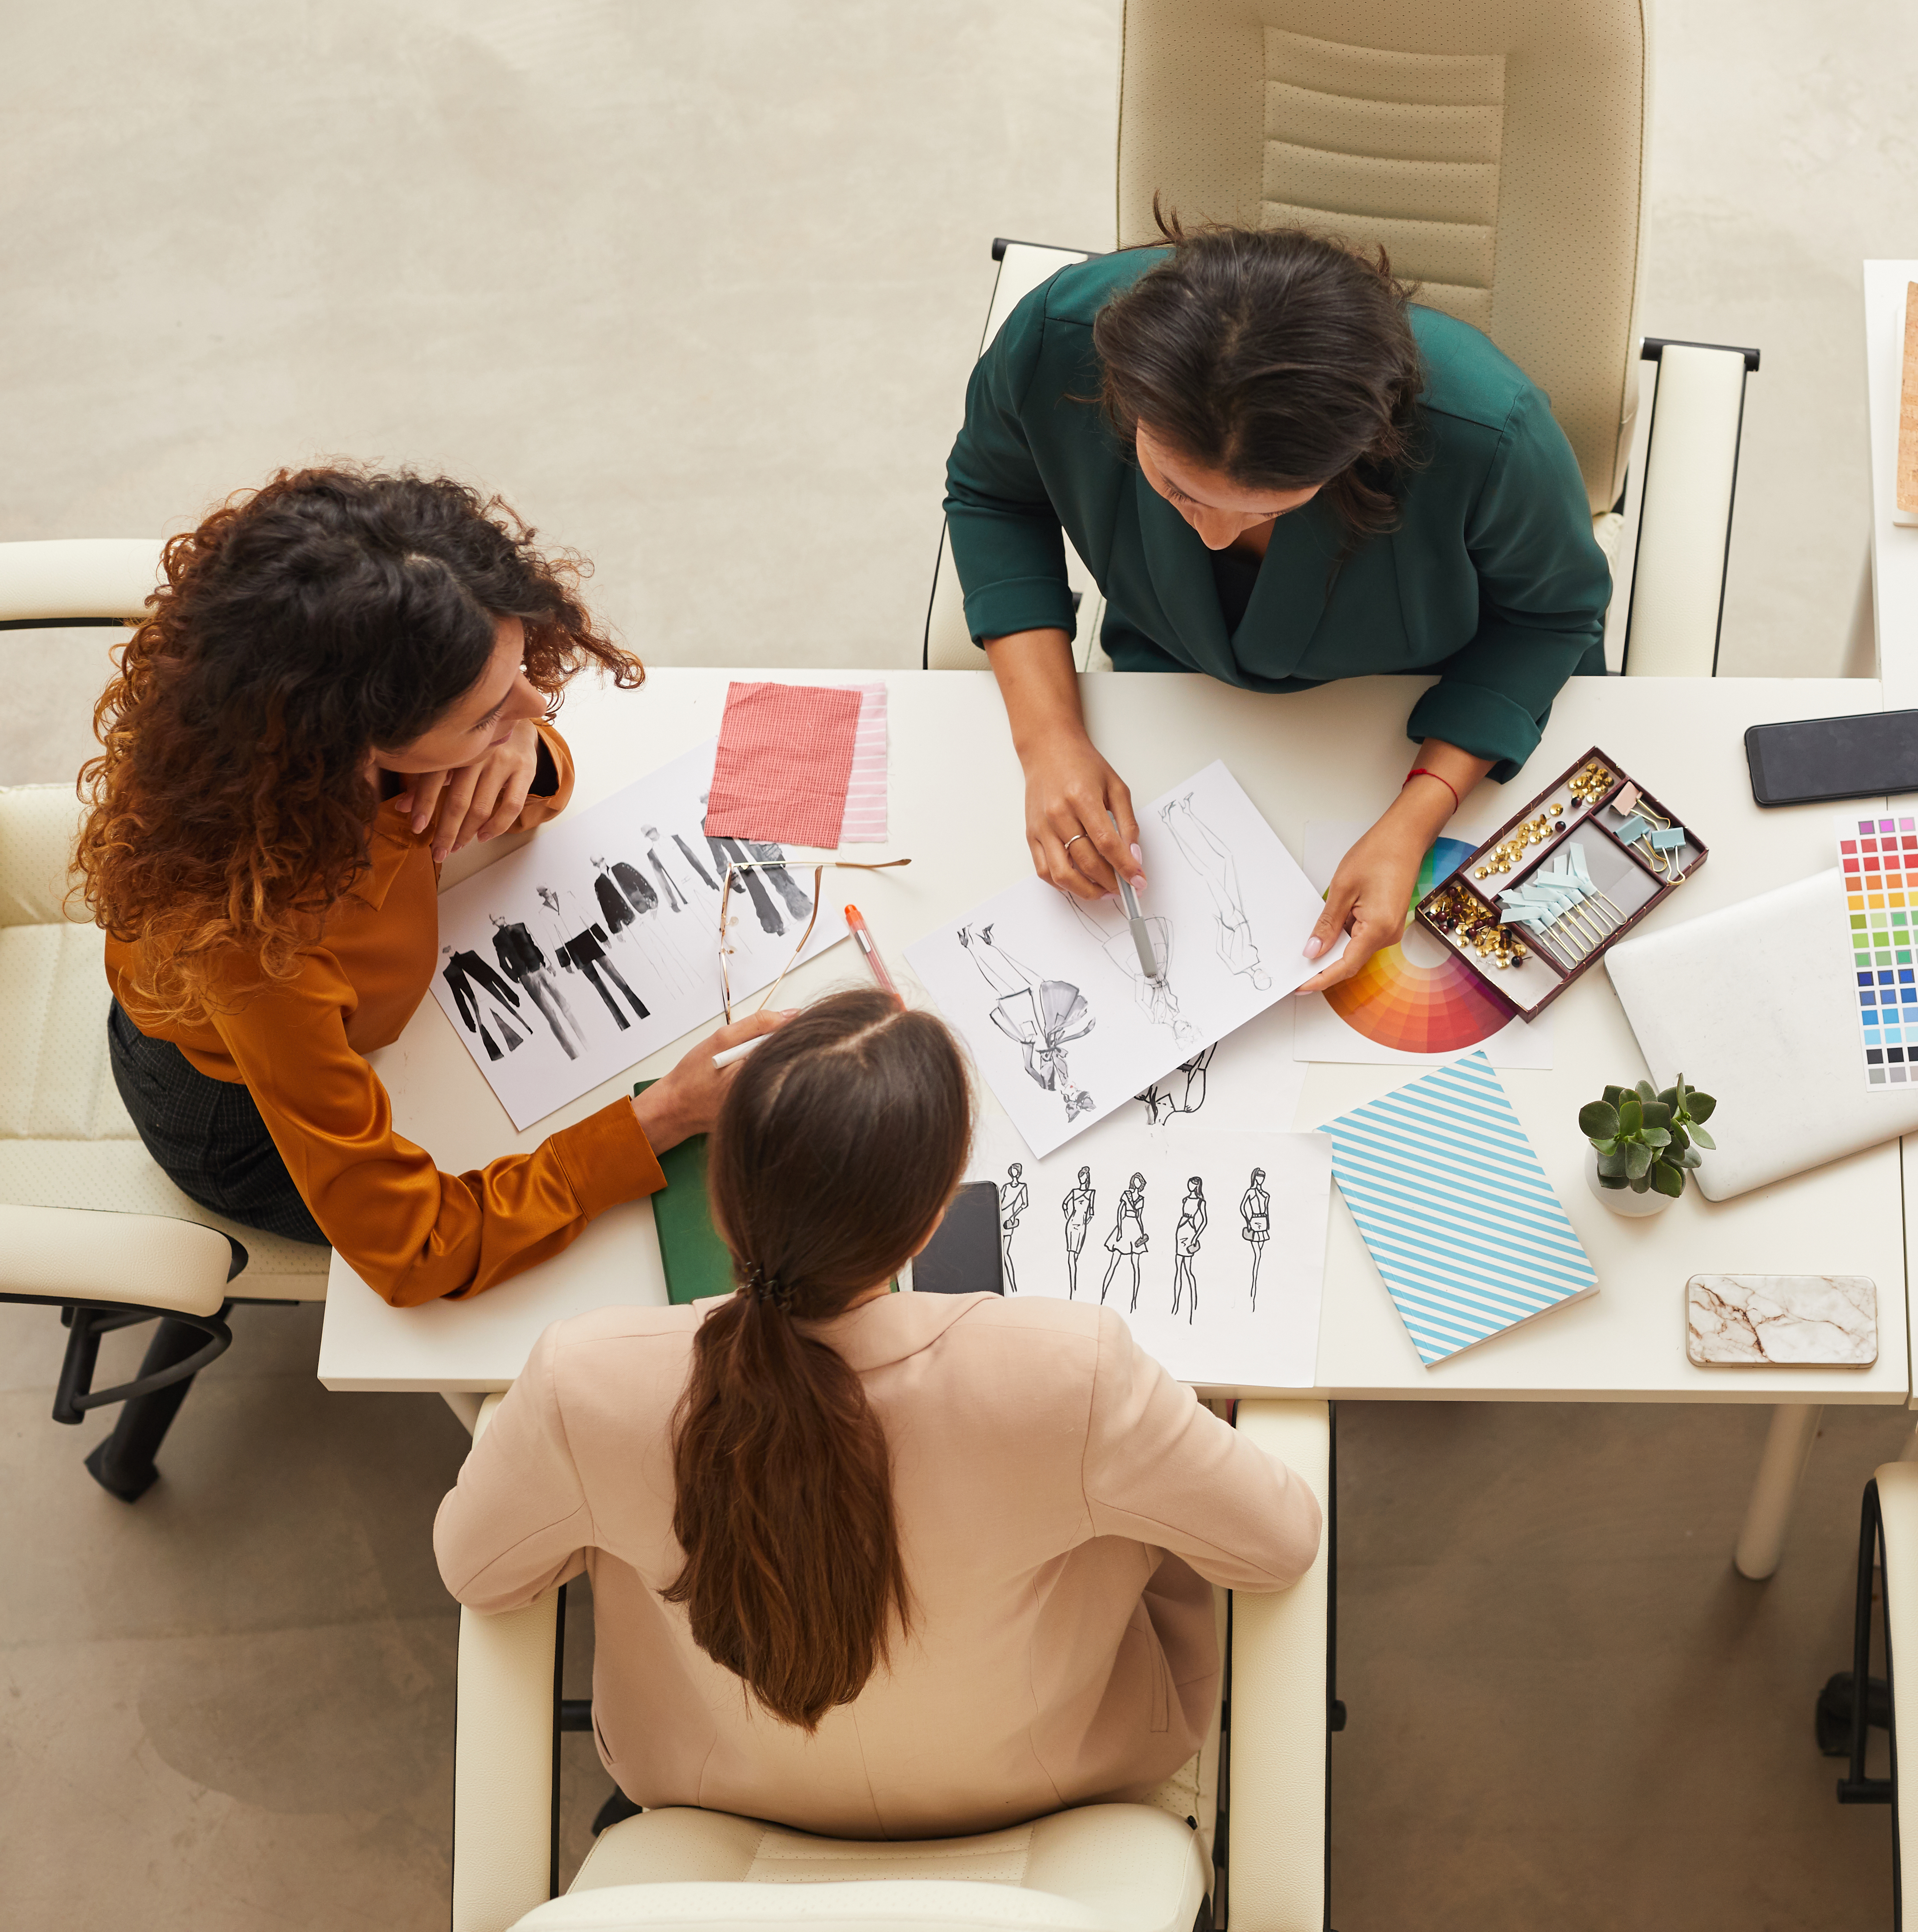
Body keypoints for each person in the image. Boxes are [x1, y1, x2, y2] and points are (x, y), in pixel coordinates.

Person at [434, 991, 1321, 1839]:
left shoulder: (580, 1378)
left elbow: (479, 1570)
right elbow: (1277, 1544)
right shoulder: (1070, 1371)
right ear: (932, 1220)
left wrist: (613, 1501)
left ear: (720, 1198)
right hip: (1053, 1781)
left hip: (710, 1787)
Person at [81, 468, 780, 1307]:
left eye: (517, 671)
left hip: (352, 1036)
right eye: (486, 713)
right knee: (601, 1263)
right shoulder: (262, 945)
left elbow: (537, 775)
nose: (537, 699)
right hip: (247, 1120)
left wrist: (518, 748)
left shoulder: (291, 734)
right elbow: (415, 1250)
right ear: (350, 740)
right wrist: (661, 1119)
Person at [943, 214, 1614, 992]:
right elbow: (993, 493)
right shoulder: (1056, 338)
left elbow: (1551, 616)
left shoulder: (1490, 431)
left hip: (1422, 713)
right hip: (1175, 692)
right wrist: (1049, 742)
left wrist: (1416, 818)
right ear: (1122, 401)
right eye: (1178, 491)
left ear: (1369, 445)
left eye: (1270, 507)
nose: (1221, 540)